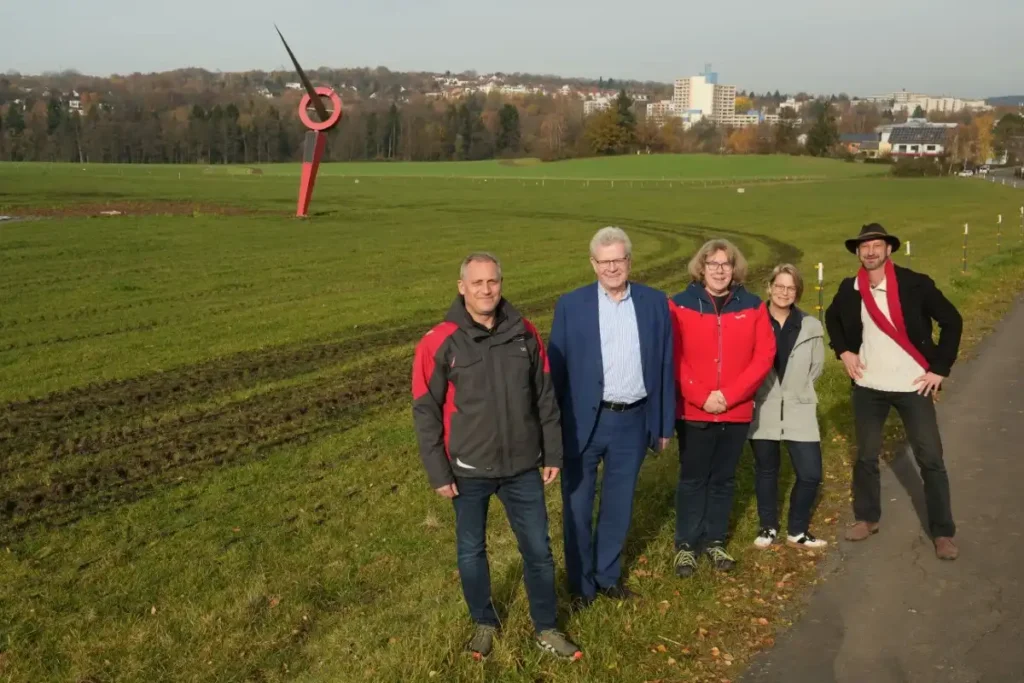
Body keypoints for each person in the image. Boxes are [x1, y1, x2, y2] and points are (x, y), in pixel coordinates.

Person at [411, 252, 582, 660]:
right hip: (467, 470)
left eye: (493, 282)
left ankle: (546, 627)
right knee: (471, 552)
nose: (486, 290)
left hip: (523, 466)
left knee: (539, 551)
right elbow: (425, 408)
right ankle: (484, 623)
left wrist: (552, 451)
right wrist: (438, 471)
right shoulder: (440, 340)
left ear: (501, 284)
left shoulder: (524, 332)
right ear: (461, 287)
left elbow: (545, 396)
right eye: (477, 283)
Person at [548, 227, 675, 606]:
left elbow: (665, 363)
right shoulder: (571, 305)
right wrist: (551, 433)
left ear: (629, 262)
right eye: (604, 262)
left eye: (618, 260)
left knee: (618, 505)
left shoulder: (654, 303)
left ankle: (607, 576)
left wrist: (663, 423)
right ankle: (580, 585)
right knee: (578, 506)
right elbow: (556, 370)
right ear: (593, 264)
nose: (612, 268)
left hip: (632, 421)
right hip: (583, 421)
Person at [825, 224, 963, 561]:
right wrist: (843, 351)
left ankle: (943, 532)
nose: (870, 251)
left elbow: (952, 321)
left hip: (912, 386)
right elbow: (832, 318)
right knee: (866, 457)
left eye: (877, 245)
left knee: (930, 458)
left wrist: (939, 368)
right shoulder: (850, 288)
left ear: (889, 250)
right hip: (869, 388)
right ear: (858, 252)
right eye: (864, 247)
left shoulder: (916, 284)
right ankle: (867, 518)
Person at [669, 239, 775, 577]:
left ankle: (714, 540)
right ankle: (686, 545)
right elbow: (673, 357)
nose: (718, 270)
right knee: (693, 478)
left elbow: (764, 356)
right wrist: (701, 396)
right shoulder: (679, 305)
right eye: (712, 264)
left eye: (725, 264)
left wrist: (730, 395)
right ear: (701, 268)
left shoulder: (754, 306)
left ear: (734, 269)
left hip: (735, 410)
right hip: (694, 410)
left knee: (723, 479)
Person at [748, 264, 828, 550]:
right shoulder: (753, 321)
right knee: (767, 470)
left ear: (798, 292)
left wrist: (796, 391)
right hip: (763, 407)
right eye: (779, 286)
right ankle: (768, 526)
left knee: (810, 474)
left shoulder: (810, 325)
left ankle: (797, 529)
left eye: (790, 288)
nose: (784, 292)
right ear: (769, 288)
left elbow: (816, 368)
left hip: (799, 407)